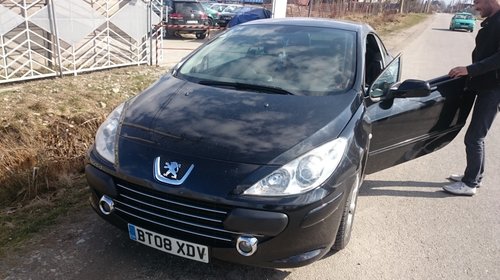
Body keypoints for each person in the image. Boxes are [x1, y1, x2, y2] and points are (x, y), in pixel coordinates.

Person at [444, 0, 500, 196]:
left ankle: (469, 184)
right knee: (476, 137)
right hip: (484, 85)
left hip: (494, 89)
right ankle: (475, 176)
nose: (475, 6)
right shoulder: (491, 20)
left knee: (475, 137)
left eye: (477, 1)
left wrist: (469, 70)